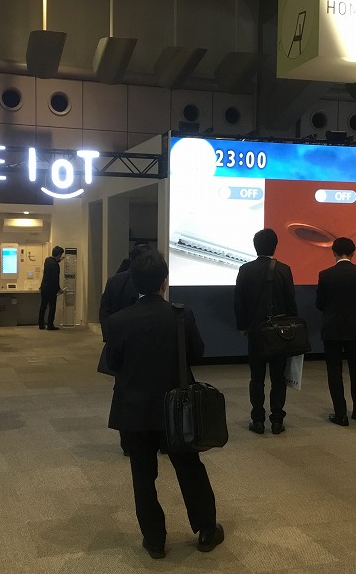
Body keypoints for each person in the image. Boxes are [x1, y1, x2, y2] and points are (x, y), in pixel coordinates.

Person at [106, 251, 223, 559]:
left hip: (135, 410)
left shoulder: (118, 321)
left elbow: (113, 363)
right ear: (164, 281)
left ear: (134, 283)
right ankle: (206, 530)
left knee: (143, 476)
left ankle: (155, 539)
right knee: (190, 468)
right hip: (177, 410)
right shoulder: (181, 316)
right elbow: (197, 354)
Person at [234, 228, 297, 435]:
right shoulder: (284, 270)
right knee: (278, 378)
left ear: (255, 246)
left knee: (257, 377)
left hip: (256, 331)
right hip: (280, 333)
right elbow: (290, 301)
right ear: (275, 246)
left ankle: (257, 420)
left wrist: (243, 326)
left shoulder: (245, 270)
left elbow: (239, 301)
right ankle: (277, 420)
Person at [98, 244, 151, 454]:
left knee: (122, 390)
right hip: (142, 343)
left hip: (120, 343)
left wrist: (110, 335)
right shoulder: (146, 281)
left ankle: (127, 442)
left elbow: (104, 309)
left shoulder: (114, 280)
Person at [315, 237, 356, 427]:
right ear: (353, 253)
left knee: (334, 370)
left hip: (332, 327)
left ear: (333, 252)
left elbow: (319, 304)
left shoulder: (325, 275)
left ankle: (340, 413)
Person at [39, 246, 65, 330]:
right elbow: (55, 279)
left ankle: (41, 324)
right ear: (59, 255)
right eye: (60, 255)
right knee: (52, 307)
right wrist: (59, 289)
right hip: (51, 289)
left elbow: (52, 264)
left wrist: (59, 261)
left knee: (43, 306)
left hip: (44, 287)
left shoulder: (47, 260)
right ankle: (50, 325)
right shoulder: (56, 266)